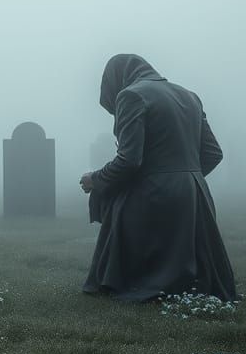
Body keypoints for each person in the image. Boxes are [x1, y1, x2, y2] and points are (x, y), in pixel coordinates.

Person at [80, 54, 236, 301]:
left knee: (117, 196)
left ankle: (138, 283)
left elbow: (129, 160)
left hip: (153, 193)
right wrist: (182, 177)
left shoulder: (131, 95)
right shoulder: (189, 95)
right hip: (195, 193)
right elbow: (213, 154)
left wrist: (94, 179)